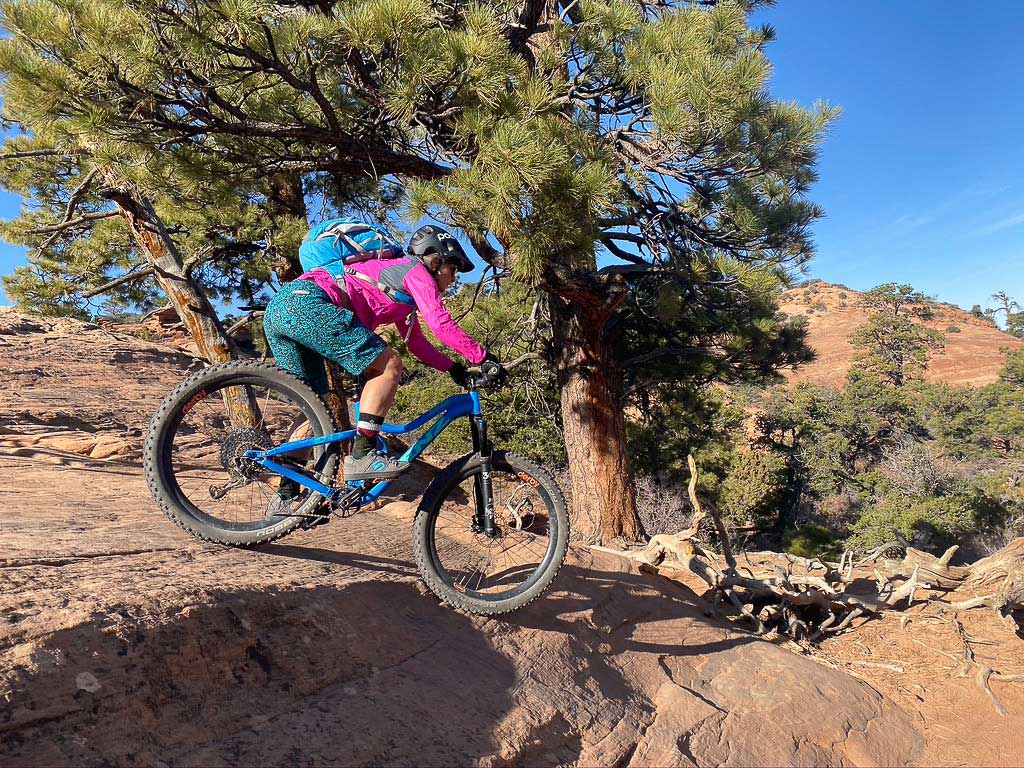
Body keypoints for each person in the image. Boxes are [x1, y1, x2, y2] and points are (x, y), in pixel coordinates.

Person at [262, 223, 505, 506]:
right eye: (452, 271)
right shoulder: (415, 272)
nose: (453, 280)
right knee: (389, 366)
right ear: (435, 261)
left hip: (283, 308)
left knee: (314, 405)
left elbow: (417, 343)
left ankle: (286, 495)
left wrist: (454, 369)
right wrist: (484, 357)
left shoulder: (400, 289)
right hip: (308, 305)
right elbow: (441, 324)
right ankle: (363, 454)